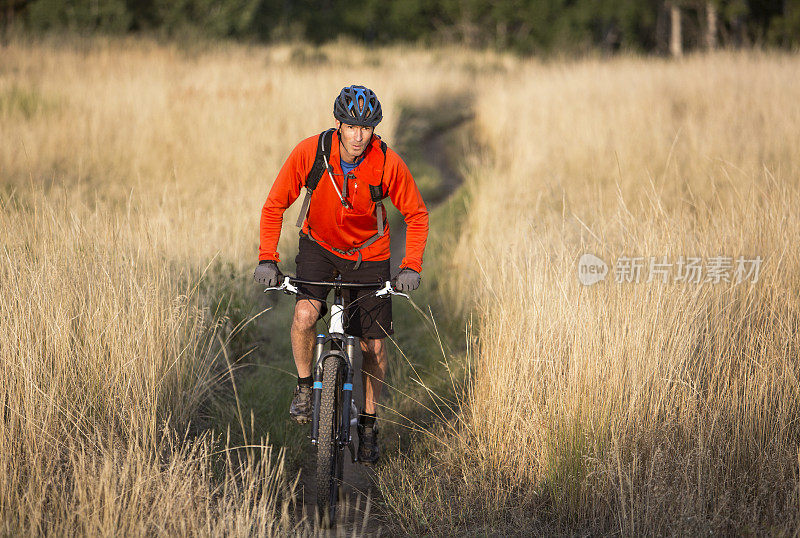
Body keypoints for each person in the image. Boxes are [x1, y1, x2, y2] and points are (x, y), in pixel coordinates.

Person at [253, 85, 429, 464]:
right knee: (303, 316)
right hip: (318, 247)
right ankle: (304, 388)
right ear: (338, 124)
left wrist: (410, 265)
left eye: (366, 128)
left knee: (373, 347)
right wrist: (268, 257)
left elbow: (416, 215)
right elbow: (274, 206)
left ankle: (368, 423)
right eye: (351, 126)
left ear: (375, 130)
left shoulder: (386, 162)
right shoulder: (311, 152)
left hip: (368, 255)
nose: (358, 136)